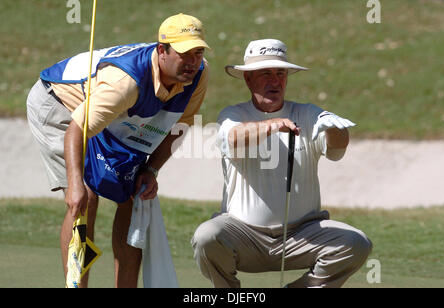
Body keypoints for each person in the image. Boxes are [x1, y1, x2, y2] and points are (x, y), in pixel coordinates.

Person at [26, 13, 210, 288]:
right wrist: (75, 185)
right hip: (59, 103)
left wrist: (151, 169)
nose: (192, 62)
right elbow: (76, 130)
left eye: (197, 52)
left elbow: (178, 126)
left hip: (112, 117)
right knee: (85, 198)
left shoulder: (198, 74)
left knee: (133, 194)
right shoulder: (125, 82)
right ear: (162, 51)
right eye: (184, 53)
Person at [191, 39, 372, 288]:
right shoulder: (234, 115)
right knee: (207, 236)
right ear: (248, 79)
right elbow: (232, 139)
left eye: (280, 73)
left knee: (356, 243)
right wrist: (273, 125)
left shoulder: (307, 113)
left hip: (301, 235)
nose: (274, 80)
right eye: (265, 73)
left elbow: (336, 152)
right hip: (245, 235)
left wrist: (336, 129)